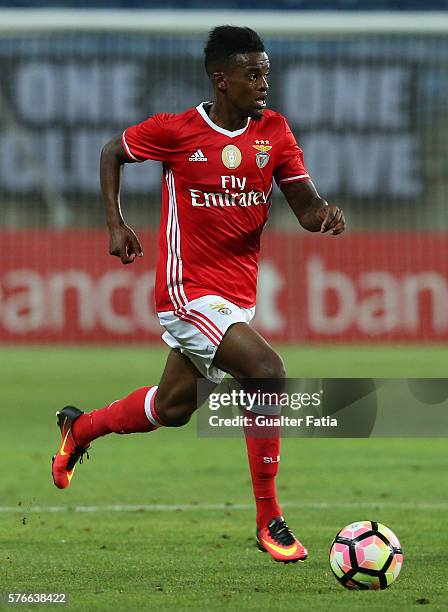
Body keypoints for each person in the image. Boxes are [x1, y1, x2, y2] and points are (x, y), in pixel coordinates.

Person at [52, 25, 345, 563]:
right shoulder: (177, 130)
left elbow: (304, 204)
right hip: (187, 292)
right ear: (221, 80)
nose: (263, 82)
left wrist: (322, 213)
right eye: (252, 74)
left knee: (173, 407)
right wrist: (116, 225)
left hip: (237, 296)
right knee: (267, 371)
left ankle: (81, 428)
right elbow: (111, 151)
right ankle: (269, 519)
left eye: (266, 73)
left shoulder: (275, 132)